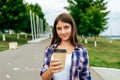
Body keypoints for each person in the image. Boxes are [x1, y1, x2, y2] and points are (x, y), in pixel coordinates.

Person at [40, 13, 91, 80]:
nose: (63, 32)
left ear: (72, 28)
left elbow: (86, 77)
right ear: (55, 30)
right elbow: (43, 78)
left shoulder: (82, 51)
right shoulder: (50, 50)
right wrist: (50, 70)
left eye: (66, 27)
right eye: (59, 28)